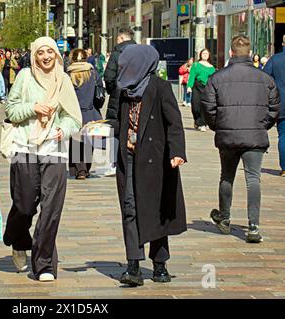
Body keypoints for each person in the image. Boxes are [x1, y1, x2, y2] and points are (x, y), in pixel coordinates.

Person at [3, 36, 82, 282]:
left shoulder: (64, 80)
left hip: (54, 150)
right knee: (25, 205)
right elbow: (11, 110)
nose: (46, 56)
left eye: (50, 52)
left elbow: (74, 118)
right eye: (41, 52)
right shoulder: (25, 77)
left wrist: (64, 130)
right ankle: (18, 238)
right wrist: (33, 107)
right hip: (25, 146)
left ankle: (44, 264)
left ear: (56, 55)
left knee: (51, 208)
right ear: (34, 55)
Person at [115, 44, 187, 287]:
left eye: (127, 64)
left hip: (156, 160)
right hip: (129, 158)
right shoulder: (123, 89)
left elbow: (174, 122)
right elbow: (117, 121)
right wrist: (99, 131)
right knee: (130, 207)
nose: (123, 68)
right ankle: (133, 264)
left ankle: (160, 264)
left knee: (156, 209)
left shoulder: (160, 87)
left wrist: (177, 152)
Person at [201, 35, 280, 243]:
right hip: (255, 135)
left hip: (228, 135)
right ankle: (253, 227)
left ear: (231, 52)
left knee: (227, 176)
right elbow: (274, 108)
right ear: (250, 52)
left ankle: (225, 218)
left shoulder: (217, 78)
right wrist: (263, 125)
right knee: (253, 179)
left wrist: (218, 125)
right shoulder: (265, 78)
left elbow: (207, 107)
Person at [104, 27, 136, 177]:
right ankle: (134, 162)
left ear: (122, 38)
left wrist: (113, 91)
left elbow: (109, 77)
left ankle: (114, 164)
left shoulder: (117, 53)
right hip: (137, 96)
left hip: (119, 94)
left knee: (115, 130)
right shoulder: (140, 52)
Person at [67, 48, 103, 179]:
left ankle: (79, 169)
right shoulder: (93, 73)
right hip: (90, 111)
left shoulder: (68, 74)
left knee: (76, 140)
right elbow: (100, 94)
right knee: (88, 141)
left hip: (73, 112)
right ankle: (85, 169)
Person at [263, 34, 285, 177]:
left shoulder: (275, 59)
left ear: (283, 43)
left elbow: (264, 78)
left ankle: (284, 167)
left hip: (281, 103)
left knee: (283, 135)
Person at [187, 48, 216, 132]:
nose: (205, 55)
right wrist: (189, 86)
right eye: (204, 53)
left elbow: (213, 80)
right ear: (200, 55)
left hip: (207, 88)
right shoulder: (196, 65)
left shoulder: (211, 68)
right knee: (195, 106)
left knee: (204, 106)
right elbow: (192, 76)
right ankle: (197, 121)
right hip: (197, 86)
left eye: (207, 53)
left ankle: (202, 123)